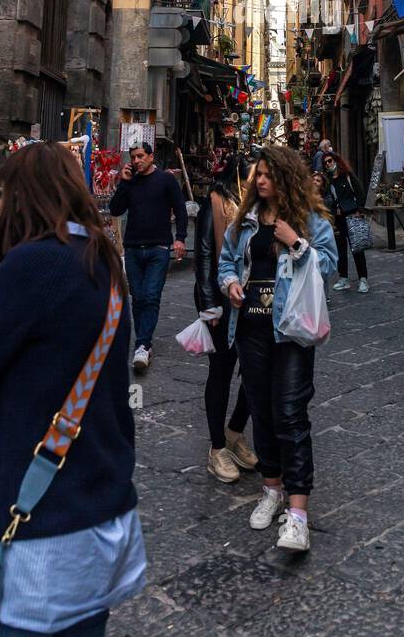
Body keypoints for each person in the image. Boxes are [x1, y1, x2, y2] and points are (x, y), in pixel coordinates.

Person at [0, 142, 146, 637]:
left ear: (20, 201)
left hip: (38, 532)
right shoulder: (104, 263)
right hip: (101, 516)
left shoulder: (37, 265)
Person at [218, 147, 337, 553]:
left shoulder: (310, 221)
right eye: (258, 175)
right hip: (250, 330)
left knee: (290, 414)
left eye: (268, 175)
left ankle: (298, 514)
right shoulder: (245, 222)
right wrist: (230, 283)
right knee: (264, 414)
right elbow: (226, 262)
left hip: (290, 331)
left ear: (285, 178)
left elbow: (329, 268)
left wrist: (298, 244)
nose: (260, 181)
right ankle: (272, 488)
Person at [195, 154, 257, 483]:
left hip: (251, 304)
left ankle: (235, 432)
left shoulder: (261, 205)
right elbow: (204, 253)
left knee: (254, 371)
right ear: (237, 178)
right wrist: (208, 304)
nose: (254, 187)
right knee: (220, 370)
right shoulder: (216, 202)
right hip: (220, 300)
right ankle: (216, 448)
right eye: (248, 182)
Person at [109, 142, 188, 372]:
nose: (136, 161)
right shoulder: (130, 182)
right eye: (133, 157)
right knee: (138, 297)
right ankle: (143, 341)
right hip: (133, 247)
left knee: (152, 296)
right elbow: (115, 210)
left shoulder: (166, 180)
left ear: (151, 157)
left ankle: (143, 344)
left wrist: (180, 238)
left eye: (141, 156)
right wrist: (123, 183)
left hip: (158, 248)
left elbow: (181, 209)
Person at [323, 151, 370, 294]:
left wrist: (360, 210)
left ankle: (363, 279)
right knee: (340, 250)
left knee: (357, 248)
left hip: (352, 215)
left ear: (336, 160)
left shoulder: (347, 176)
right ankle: (343, 278)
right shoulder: (328, 180)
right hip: (338, 219)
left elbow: (360, 192)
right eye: (325, 163)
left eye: (330, 161)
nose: (328, 164)